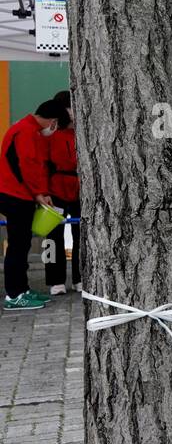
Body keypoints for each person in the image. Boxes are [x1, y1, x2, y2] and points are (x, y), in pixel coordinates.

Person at [0, 100, 61, 309]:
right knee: (17, 245)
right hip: (15, 195)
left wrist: (43, 192)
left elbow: (36, 165)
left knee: (22, 243)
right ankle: (14, 295)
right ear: (53, 121)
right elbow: (27, 165)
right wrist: (38, 194)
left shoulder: (29, 129)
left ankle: (23, 289)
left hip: (20, 194)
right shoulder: (26, 131)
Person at [44, 97, 80, 296]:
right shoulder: (50, 135)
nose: (73, 112)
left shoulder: (81, 133)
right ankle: (55, 280)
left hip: (78, 189)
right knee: (52, 237)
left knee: (81, 235)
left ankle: (80, 277)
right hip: (54, 190)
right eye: (69, 107)